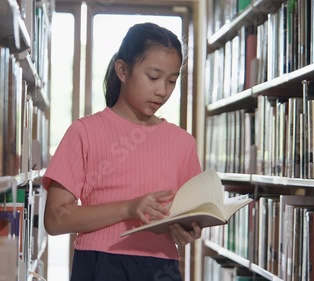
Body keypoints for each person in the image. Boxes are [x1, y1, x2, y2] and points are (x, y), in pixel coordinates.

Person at [42, 22, 202, 281]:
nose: (162, 91)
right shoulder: (84, 133)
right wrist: (129, 208)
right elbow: (55, 218)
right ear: (122, 70)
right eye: (153, 77)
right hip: (99, 264)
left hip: (161, 269)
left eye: (172, 81)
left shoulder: (183, 143)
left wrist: (185, 231)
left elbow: (188, 219)